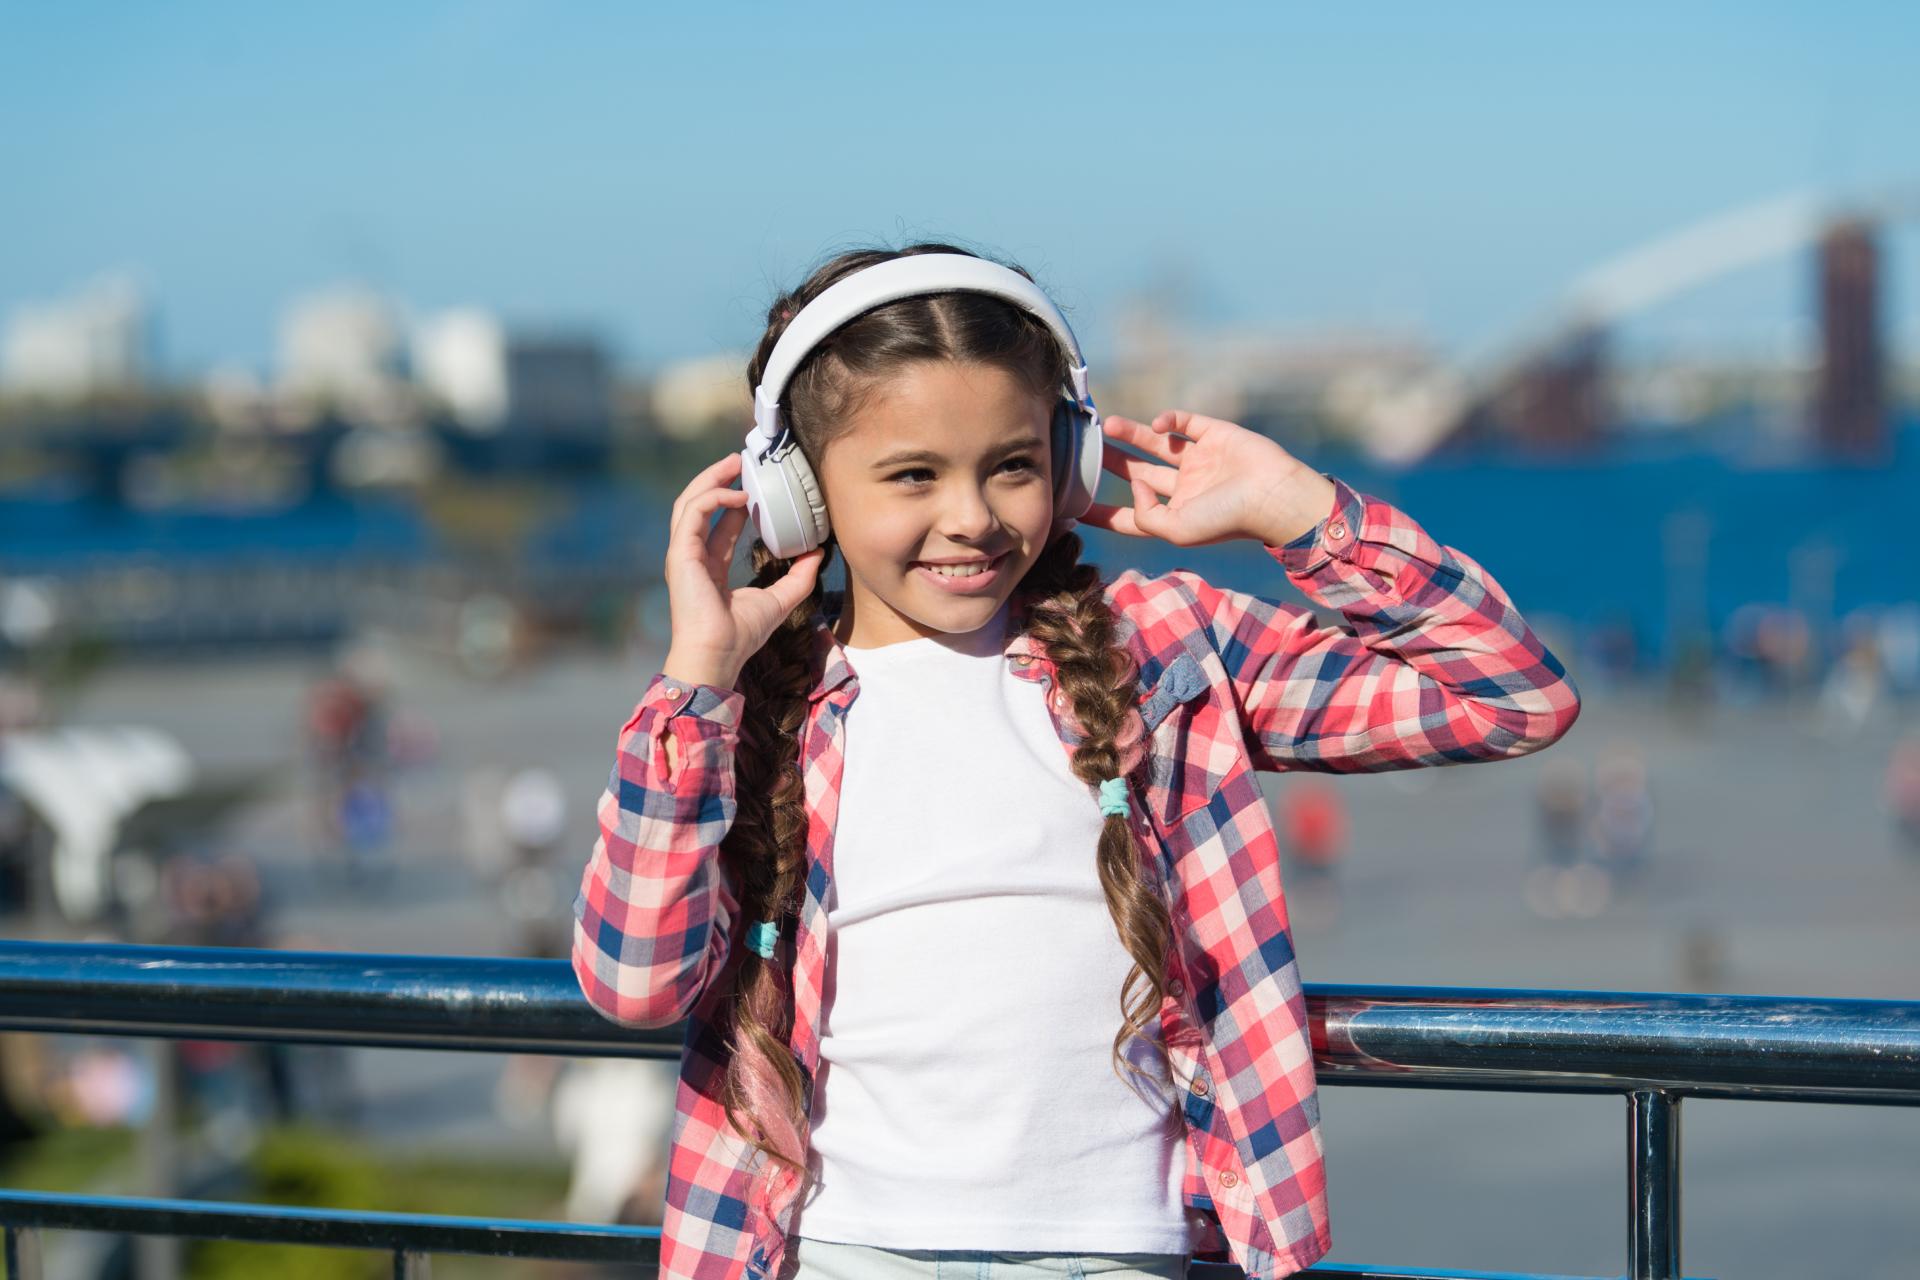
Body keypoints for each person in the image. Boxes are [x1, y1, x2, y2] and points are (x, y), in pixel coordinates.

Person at [570, 245, 1582, 1280]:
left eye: (1011, 464)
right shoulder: (744, 712)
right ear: (800, 494)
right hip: (835, 1250)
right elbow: (635, 982)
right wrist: (696, 675)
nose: (971, 515)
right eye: (913, 473)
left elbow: (1511, 694)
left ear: (1071, 457)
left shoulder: (1168, 651)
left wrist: (1294, 508)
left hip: (1119, 1251)